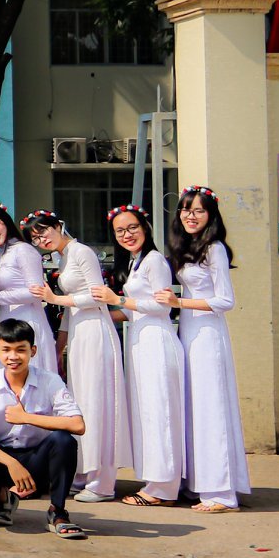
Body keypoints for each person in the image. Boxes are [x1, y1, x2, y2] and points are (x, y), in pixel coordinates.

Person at [23, 209, 128, 503]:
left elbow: (98, 295)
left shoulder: (82, 252)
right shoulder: (64, 257)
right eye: (35, 238)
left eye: (44, 232)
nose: (41, 240)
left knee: (98, 402)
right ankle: (84, 471)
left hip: (96, 331)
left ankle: (103, 481)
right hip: (79, 334)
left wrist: (54, 298)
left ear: (59, 226)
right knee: (81, 402)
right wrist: (60, 346)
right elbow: (70, 310)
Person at [0, 318, 89, 539]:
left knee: (64, 441)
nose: (13, 357)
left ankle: (58, 511)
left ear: (33, 351)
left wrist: (26, 418)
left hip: (38, 459)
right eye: (6, 350)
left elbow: (77, 425)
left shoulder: (50, 381)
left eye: (21, 350)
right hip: (2, 458)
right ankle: (2, 502)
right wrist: (11, 463)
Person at [165, 186, 250, 512]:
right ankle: (198, 483)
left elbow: (225, 300)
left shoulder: (214, 249)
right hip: (189, 332)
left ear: (210, 215)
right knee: (194, 408)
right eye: (186, 210)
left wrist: (179, 302)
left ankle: (221, 493)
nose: (191, 216)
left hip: (209, 336)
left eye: (199, 210)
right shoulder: (188, 247)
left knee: (211, 408)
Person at [98, 205, 186, 507]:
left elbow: (163, 306)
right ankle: (155, 481)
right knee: (146, 413)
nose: (127, 235)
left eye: (132, 227)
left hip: (157, 342)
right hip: (140, 341)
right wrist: (99, 313)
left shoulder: (154, 261)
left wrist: (118, 299)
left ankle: (163, 489)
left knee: (160, 412)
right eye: (120, 231)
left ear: (145, 227)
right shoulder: (136, 262)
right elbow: (132, 310)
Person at [0, 202, 56, 374]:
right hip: (7, 325)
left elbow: (36, 292)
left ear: (6, 221)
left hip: (28, 324)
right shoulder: (0, 255)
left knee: (31, 378)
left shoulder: (23, 250)